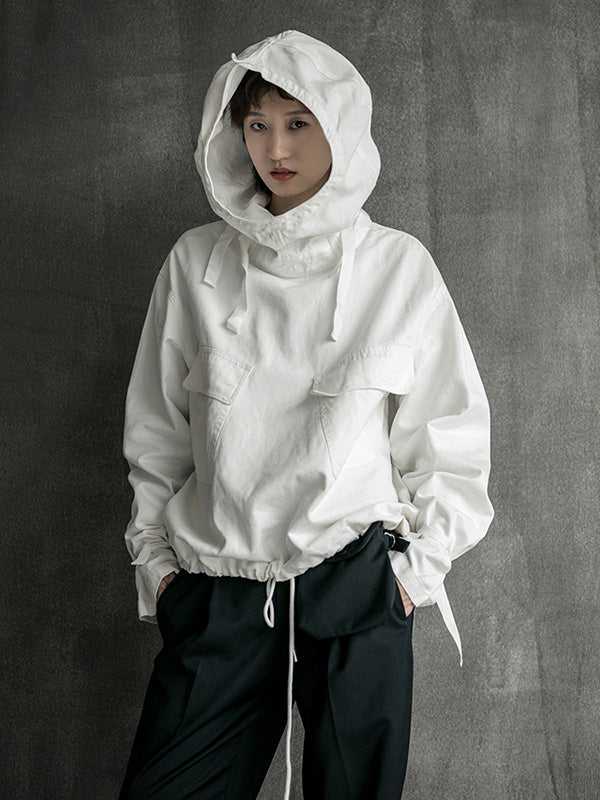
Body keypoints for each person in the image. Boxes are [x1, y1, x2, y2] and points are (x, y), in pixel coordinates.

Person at [118, 29, 494, 800]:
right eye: (257, 125)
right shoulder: (194, 262)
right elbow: (157, 434)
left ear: (340, 128)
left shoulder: (398, 266)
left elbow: (451, 440)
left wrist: (408, 578)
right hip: (219, 587)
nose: (276, 148)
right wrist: (159, 569)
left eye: (298, 123)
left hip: (355, 584)